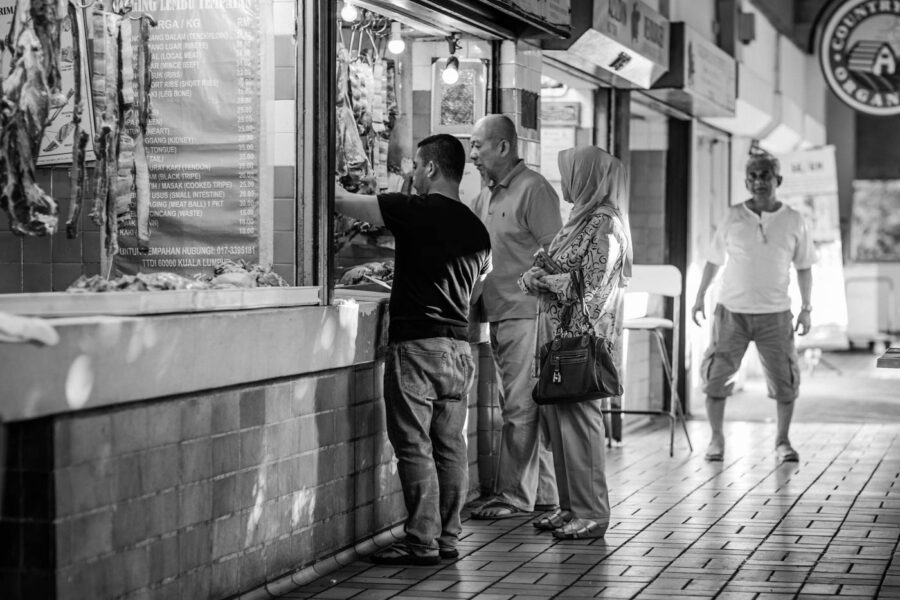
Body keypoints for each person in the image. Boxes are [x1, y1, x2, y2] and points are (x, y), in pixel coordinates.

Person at [335, 134, 492, 565]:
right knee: (450, 447)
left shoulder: (412, 210)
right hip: (459, 350)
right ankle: (447, 538)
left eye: (415, 167)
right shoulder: (478, 228)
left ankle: (421, 541)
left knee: (415, 447)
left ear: (430, 169)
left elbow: (342, 203)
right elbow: (479, 286)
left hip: (416, 346)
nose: (411, 175)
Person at [519, 146, 632, 539]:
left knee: (581, 428)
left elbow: (594, 290)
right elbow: (559, 269)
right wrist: (535, 274)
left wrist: (544, 280)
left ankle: (593, 514)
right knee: (559, 423)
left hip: (580, 344)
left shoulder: (604, 224)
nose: (564, 182)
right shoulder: (578, 221)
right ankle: (570, 508)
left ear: (588, 178)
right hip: (557, 340)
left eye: (570, 174)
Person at [691, 149, 815, 464]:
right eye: (753, 176)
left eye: (765, 175)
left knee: (785, 381)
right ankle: (716, 439)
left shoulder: (793, 219)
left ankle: (783, 441)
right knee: (716, 377)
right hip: (731, 313)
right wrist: (699, 296)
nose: (759, 181)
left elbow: (804, 267)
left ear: (778, 180)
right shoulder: (733, 215)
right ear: (747, 181)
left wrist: (807, 308)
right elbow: (714, 260)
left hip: (775, 314)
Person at [468, 114, 561, 520]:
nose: (473, 154)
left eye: (478, 146)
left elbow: (557, 255)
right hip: (501, 313)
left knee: (520, 408)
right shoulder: (486, 195)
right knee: (522, 405)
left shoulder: (533, 189)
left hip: (528, 313)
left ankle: (513, 496)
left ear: (503, 147)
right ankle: (542, 495)